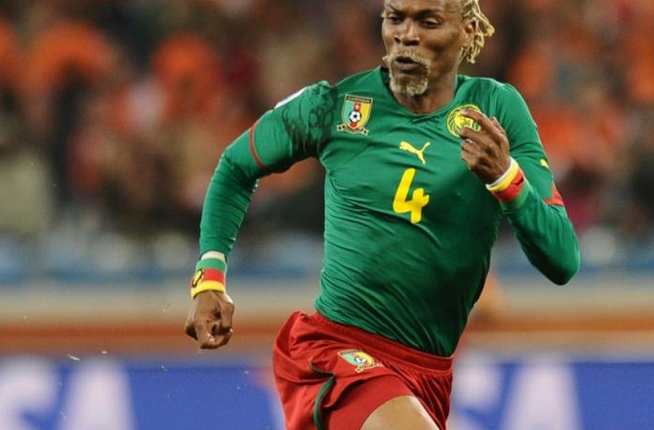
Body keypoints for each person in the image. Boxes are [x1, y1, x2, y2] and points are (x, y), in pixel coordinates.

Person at [184, 1, 581, 429]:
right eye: (396, 18)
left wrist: (506, 179)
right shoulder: (334, 107)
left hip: (427, 374)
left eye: (428, 21)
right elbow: (236, 166)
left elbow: (562, 261)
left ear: (467, 30)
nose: (406, 35)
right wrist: (210, 278)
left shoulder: (496, 110)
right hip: (335, 351)